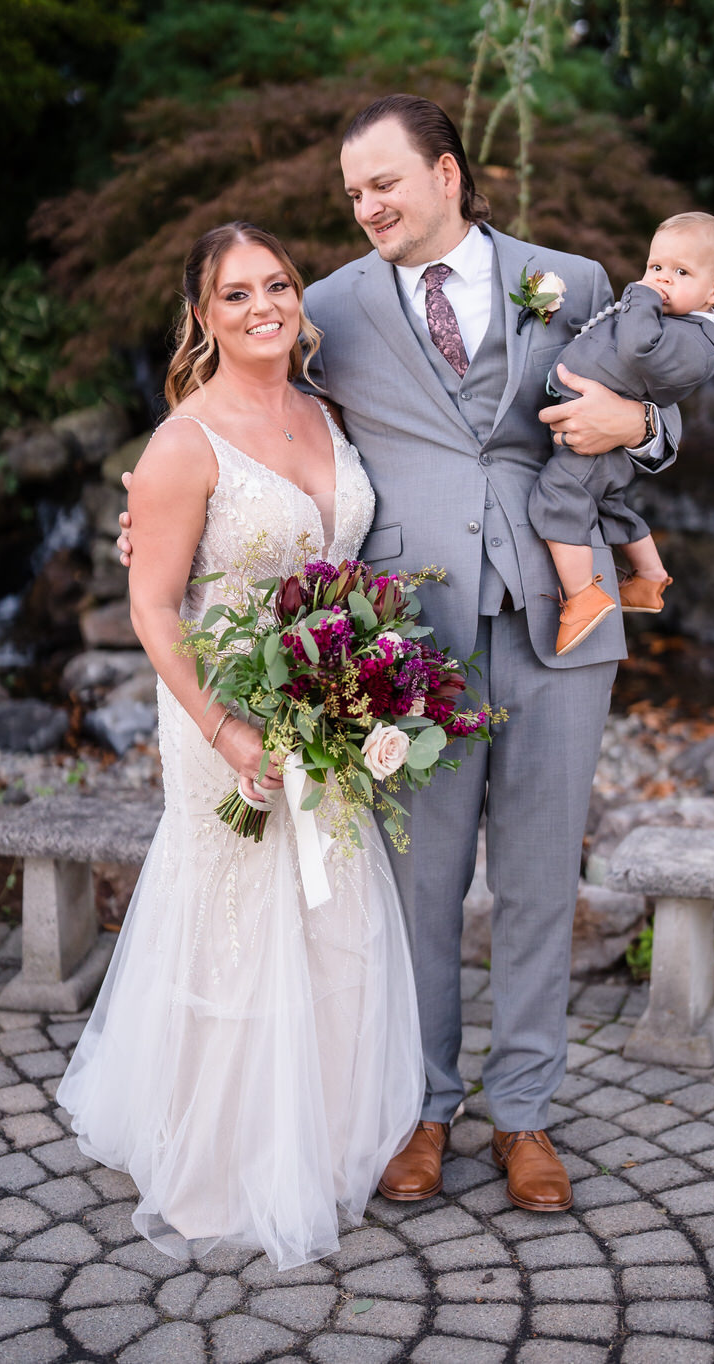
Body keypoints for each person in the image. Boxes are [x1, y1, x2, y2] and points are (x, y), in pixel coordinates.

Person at [119, 96, 679, 1214]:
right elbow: (242, 405)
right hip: (405, 640)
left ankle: (524, 1115)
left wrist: (646, 432)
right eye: (351, 193)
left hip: (560, 619)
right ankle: (421, 1106)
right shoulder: (326, 304)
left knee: (535, 876)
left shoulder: (567, 277)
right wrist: (148, 511)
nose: (366, 205)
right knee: (418, 886)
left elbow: (660, 393)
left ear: (448, 175)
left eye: (384, 183)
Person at [59, 222, 424, 1271]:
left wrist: (365, 683)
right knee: (238, 908)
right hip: (221, 710)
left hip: (332, 708)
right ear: (202, 318)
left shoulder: (327, 411)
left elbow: (346, 562)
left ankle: (326, 1130)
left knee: (330, 906)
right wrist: (226, 727)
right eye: (235, 294)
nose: (263, 305)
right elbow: (154, 609)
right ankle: (225, 1149)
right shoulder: (182, 442)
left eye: (278, 283)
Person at [531, 211, 714, 654]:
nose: (661, 280)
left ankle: (582, 595)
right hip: (596, 448)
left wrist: (639, 296)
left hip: (592, 445)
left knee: (557, 497)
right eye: (655, 268)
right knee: (608, 504)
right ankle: (649, 578)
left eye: (680, 272)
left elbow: (637, 350)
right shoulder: (673, 322)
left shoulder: (695, 340)